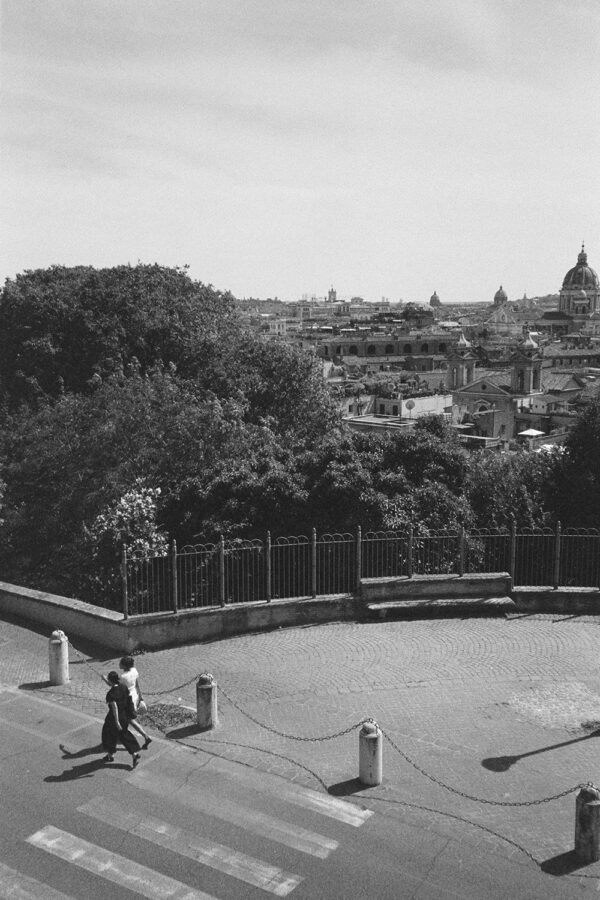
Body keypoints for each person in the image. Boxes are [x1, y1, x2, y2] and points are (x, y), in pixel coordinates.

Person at [101, 670, 141, 767]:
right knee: (122, 735)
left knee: (109, 735)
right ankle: (111, 755)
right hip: (124, 715)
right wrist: (104, 679)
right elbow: (114, 686)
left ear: (110, 680)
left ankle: (130, 754)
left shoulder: (110, 694)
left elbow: (114, 708)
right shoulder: (123, 687)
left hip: (114, 718)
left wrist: (117, 722)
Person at [117, 656, 152, 749]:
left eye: (121, 663)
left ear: (124, 665)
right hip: (135, 698)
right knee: (127, 719)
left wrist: (105, 679)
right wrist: (141, 697)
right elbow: (137, 684)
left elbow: (116, 687)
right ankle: (122, 735)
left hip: (127, 701)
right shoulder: (134, 671)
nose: (119, 664)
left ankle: (144, 737)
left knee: (128, 720)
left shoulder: (123, 677)